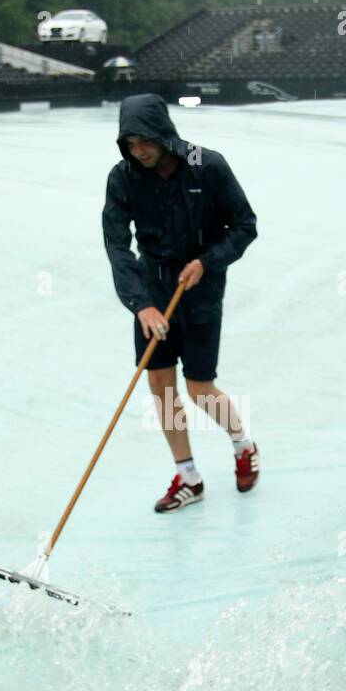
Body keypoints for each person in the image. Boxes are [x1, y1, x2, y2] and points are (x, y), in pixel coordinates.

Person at [102, 93, 260, 513]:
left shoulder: (206, 165)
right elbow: (117, 246)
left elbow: (244, 226)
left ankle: (243, 445)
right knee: (159, 384)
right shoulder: (123, 177)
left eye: (145, 142)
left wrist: (207, 262)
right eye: (130, 144)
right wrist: (140, 305)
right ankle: (189, 476)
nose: (139, 151)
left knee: (199, 387)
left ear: (163, 133)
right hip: (151, 287)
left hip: (201, 286)